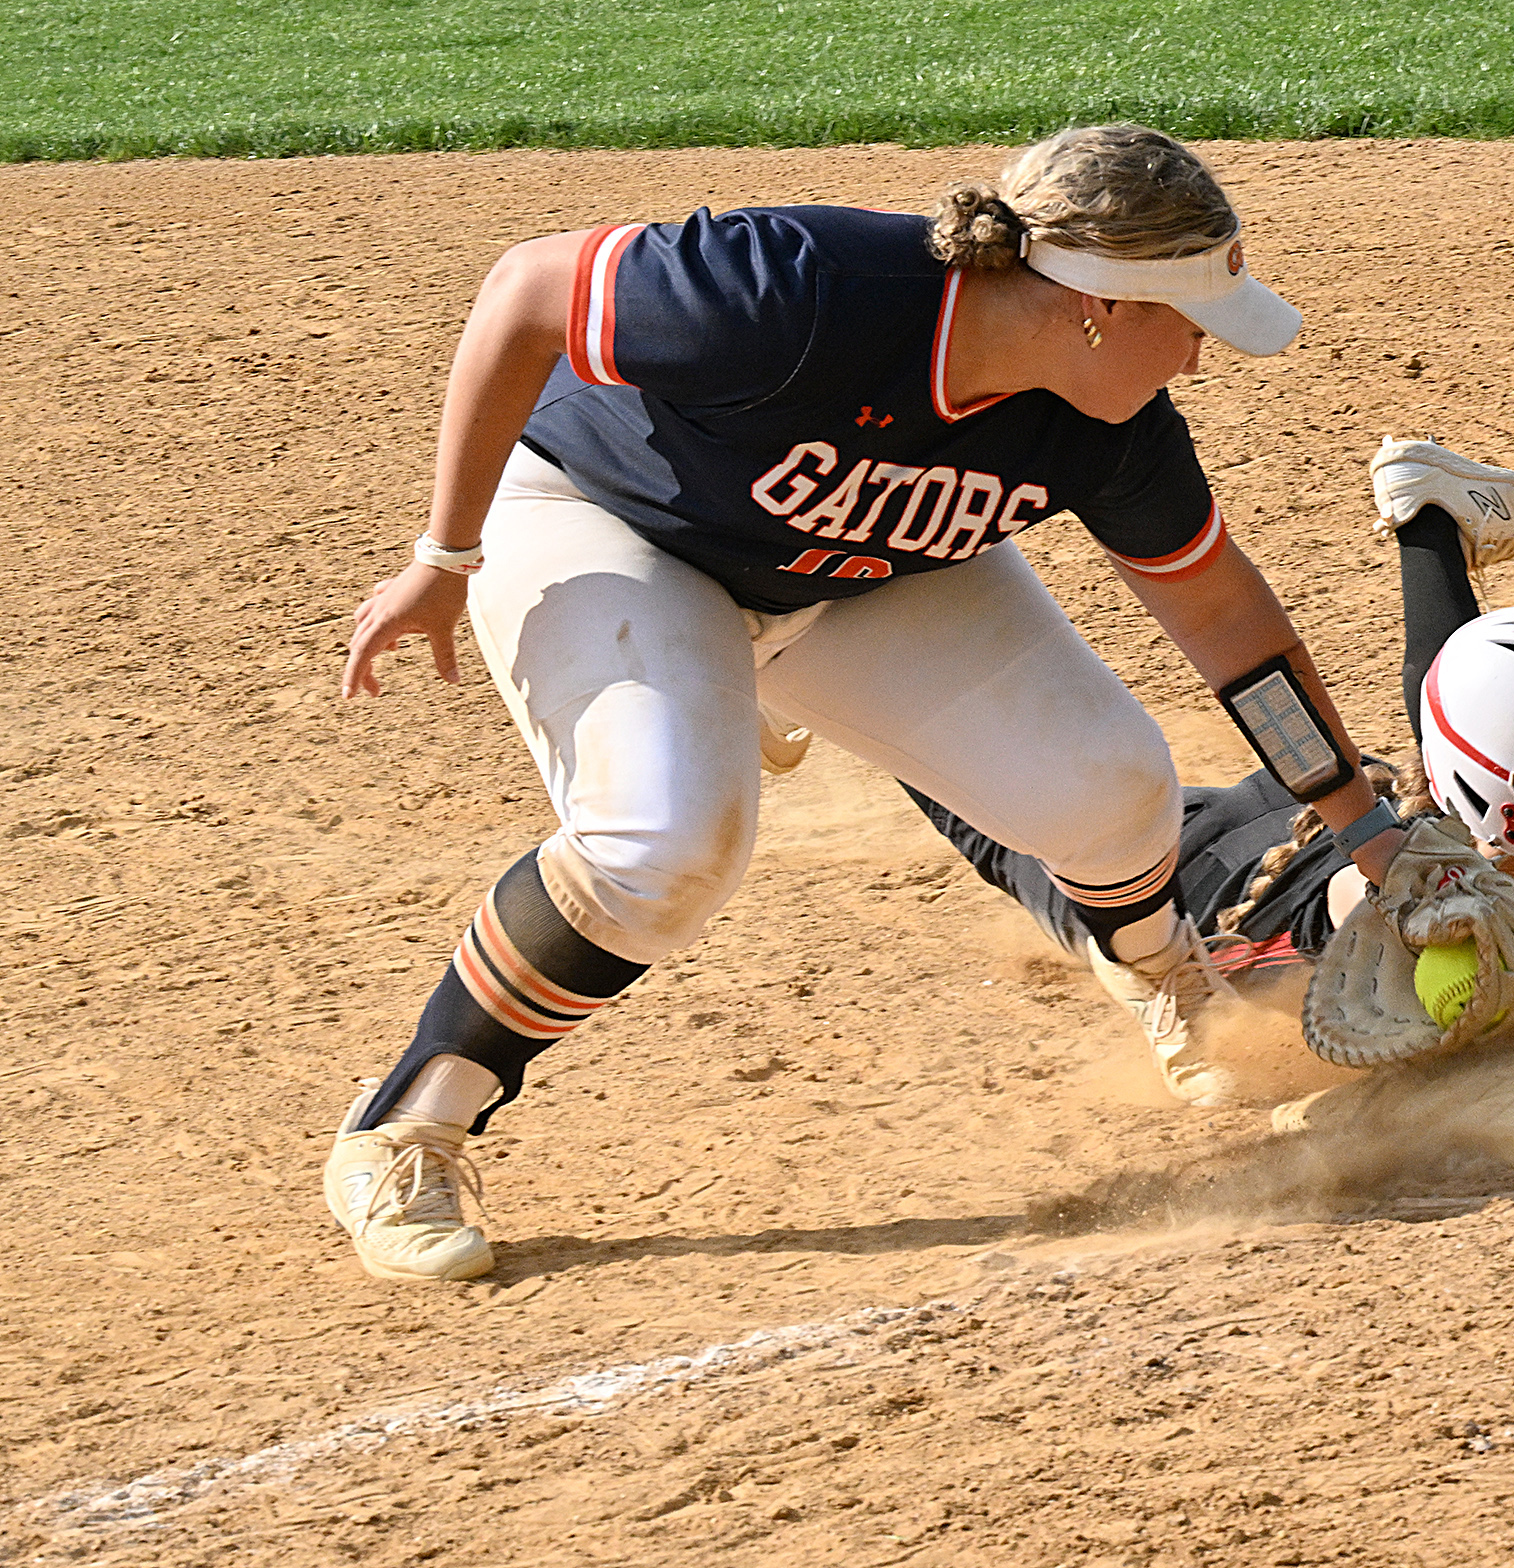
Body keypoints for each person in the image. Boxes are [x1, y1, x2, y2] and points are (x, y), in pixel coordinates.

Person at [323, 126, 1429, 1284]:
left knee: (1113, 787)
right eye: (1190, 321)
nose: (1199, 358)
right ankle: (409, 1123)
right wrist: (443, 555)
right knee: (667, 841)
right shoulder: (801, 288)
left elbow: (1229, 627)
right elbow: (524, 288)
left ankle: (1166, 977)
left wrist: (1363, 822)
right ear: (1100, 304)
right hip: (612, 528)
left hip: (851, 573)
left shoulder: (1113, 430)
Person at [910, 438, 1514, 1102]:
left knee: (1465, 744)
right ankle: (822, 672)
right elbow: (1347, 913)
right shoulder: (1409, 923)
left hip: (1338, 816)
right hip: (1190, 880)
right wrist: (1397, 912)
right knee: (1009, 818)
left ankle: (1428, 516)